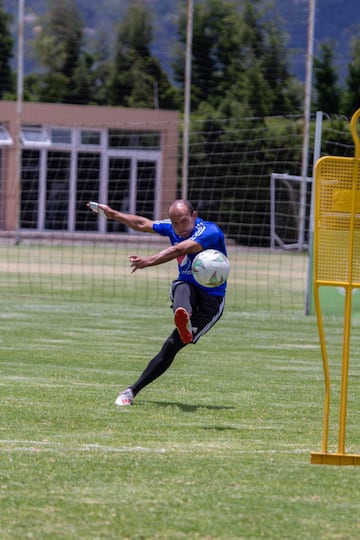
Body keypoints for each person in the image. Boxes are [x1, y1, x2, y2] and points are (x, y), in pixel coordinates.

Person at [87, 199, 228, 406]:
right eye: (175, 223)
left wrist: (147, 262)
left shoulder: (210, 231)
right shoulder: (173, 228)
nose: (179, 227)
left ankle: (184, 323)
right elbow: (143, 224)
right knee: (183, 286)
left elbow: (180, 250)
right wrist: (114, 214)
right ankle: (131, 391)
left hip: (211, 300)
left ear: (194, 216)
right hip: (187, 288)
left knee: (172, 346)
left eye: (184, 221)